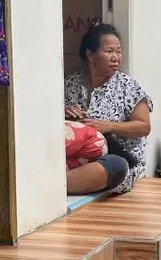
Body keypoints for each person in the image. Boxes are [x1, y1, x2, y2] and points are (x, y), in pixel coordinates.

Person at [64, 23, 152, 195]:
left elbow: (144, 127)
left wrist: (109, 127)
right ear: (90, 55)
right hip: (78, 155)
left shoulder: (128, 86)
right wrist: (66, 114)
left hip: (115, 157)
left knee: (115, 166)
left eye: (118, 52)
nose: (116, 58)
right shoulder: (70, 84)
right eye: (109, 51)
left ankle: (52, 187)